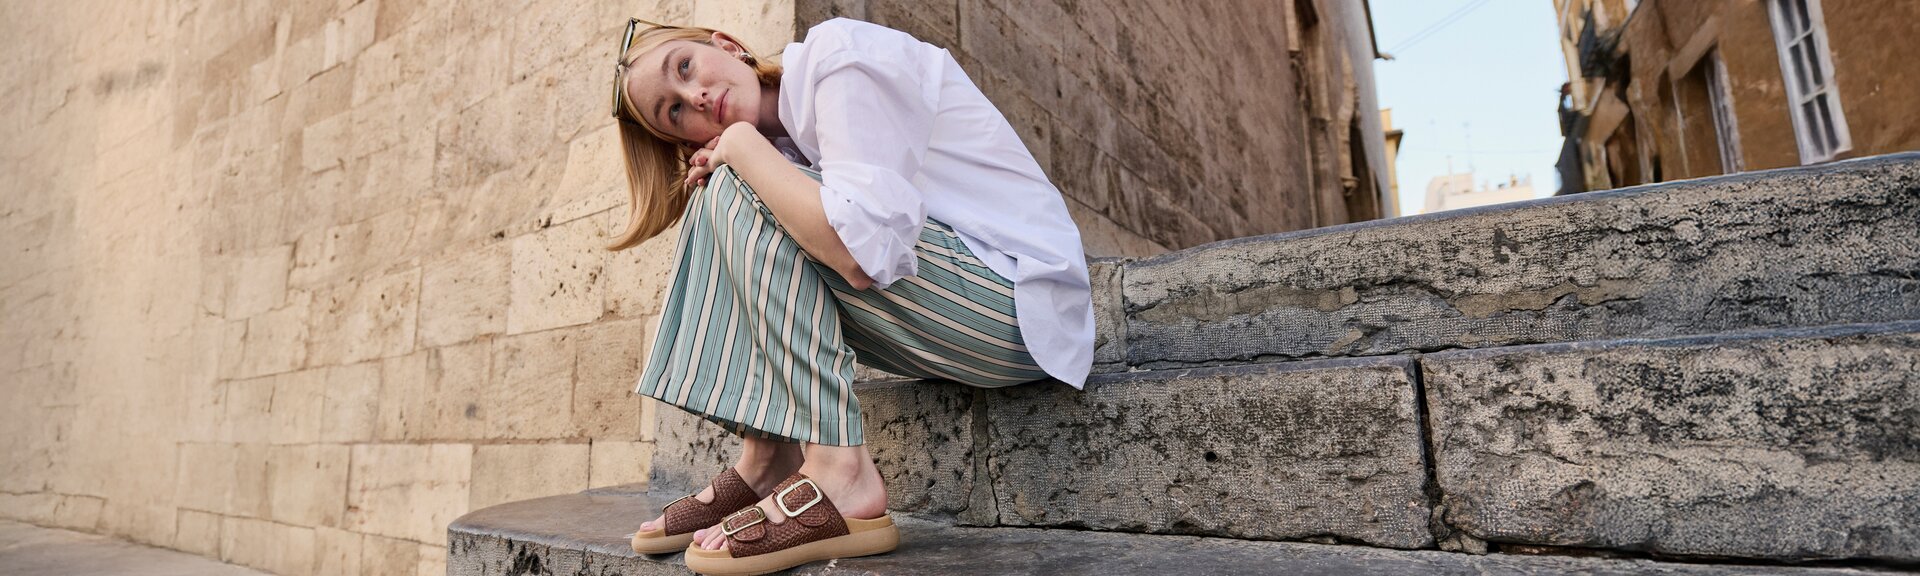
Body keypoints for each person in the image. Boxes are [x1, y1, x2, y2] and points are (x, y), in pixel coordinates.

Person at [607, 15, 1092, 574]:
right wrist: (747, 154)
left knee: (742, 178)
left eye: (686, 67)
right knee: (730, 186)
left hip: (1019, 306)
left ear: (728, 45)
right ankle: (769, 457)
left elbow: (862, 255)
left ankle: (841, 471)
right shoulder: (782, 143)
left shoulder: (839, 58)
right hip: (958, 313)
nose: (695, 97)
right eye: (673, 111)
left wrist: (740, 146)